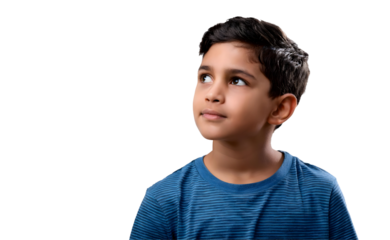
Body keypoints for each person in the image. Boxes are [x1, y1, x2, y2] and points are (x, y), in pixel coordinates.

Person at [129, 14, 358, 239]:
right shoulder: (163, 199)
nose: (213, 94)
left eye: (236, 80)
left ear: (280, 109)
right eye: (205, 77)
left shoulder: (321, 192)